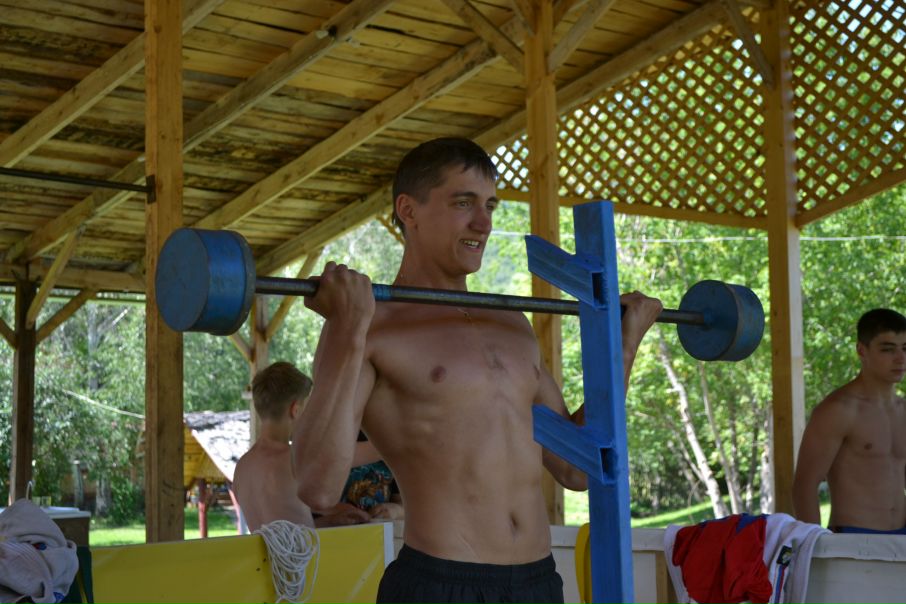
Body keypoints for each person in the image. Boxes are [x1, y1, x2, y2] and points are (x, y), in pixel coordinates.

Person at [292, 137, 663, 603]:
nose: (484, 223)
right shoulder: (370, 327)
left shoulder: (512, 324)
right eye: (463, 203)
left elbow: (576, 469)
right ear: (409, 210)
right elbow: (316, 486)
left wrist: (623, 346)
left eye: (489, 205)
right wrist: (347, 327)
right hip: (441, 585)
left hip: (538, 585)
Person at [793, 308, 906, 534]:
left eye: (905, 348)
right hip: (854, 536)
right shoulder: (838, 410)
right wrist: (814, 545)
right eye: (887, 349)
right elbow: (804, 485)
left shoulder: (903, 409)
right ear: (862, 350)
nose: (900, 358)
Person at [233, 361, 371, 532]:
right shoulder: (296, 459)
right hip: (304, 551)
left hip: (267, 551)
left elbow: (279, 533)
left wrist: (332, 521)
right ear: (295, 410)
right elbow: (359, 453)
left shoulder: (242, 467)